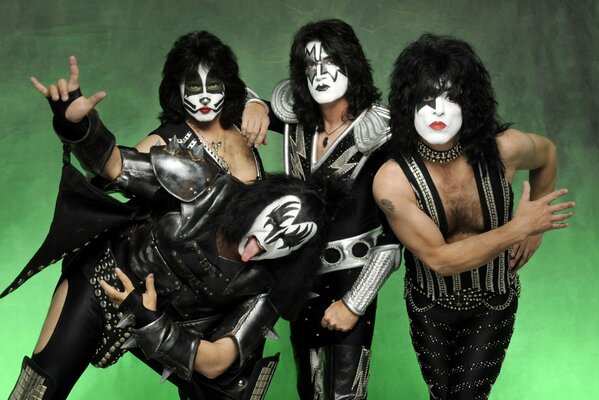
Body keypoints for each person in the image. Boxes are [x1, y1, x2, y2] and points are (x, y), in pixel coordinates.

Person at [3, 31, 334, 400]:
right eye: (192, 87)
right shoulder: (175, 149)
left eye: (215, 87)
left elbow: (313, 113)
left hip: (179, 315)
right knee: (41, 388)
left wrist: (257, 104)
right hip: (113, 277)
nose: (204, 97)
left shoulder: (245, 128)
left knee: (232, 384)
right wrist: (78, 127)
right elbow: (114, 166)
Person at [374, 33, 575, 399]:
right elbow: (439, 259)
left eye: (451, 97)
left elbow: (547, 154)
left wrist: (535, 232)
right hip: (428, 305)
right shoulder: (393, 179)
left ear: (470, 102)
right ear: (408, 105)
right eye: (426, 98)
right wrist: (519, 228)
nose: (438, 110)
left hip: (493, 301)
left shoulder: (504, 149)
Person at [267, 19, 402, 399]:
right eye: (311, 64)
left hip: (352, 278)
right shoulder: (296, 123)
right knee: (309, 391)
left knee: (345, 394)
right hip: (299, 280)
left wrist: (355, 303)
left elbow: (397, 234)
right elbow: (230, 97)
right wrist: (255, 107)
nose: (320, 73)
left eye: (330, 62)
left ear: (351, 63)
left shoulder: (381, 132)